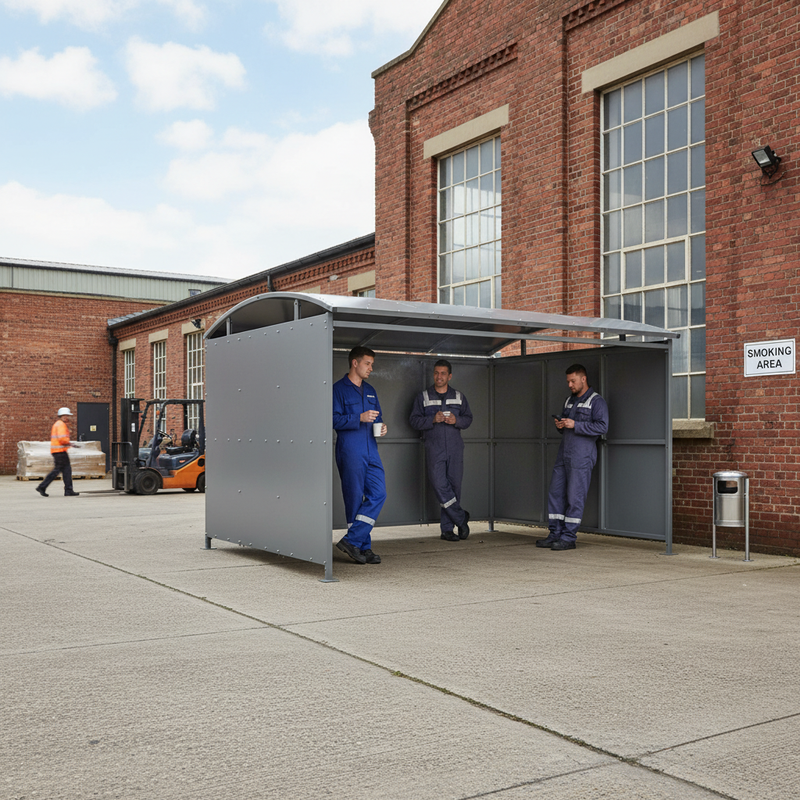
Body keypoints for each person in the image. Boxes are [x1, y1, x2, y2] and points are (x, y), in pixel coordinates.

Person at [538, 364, 607, 550]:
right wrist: (560, 425)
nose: (570, 384)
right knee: (555, 493)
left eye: (573, 381)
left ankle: (569, 537)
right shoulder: (569, 401)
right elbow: (566, 428)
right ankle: (555, 534)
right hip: (564, 454)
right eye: (568, 381)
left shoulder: (596, 401)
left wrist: (575, 424)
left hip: (581, 456)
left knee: (574, 497)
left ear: (583, 379)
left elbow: (602, 427)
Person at [332, 346, 387, 565]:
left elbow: (378, 417)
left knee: (378, 493)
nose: (371, 368)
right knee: (354, 498)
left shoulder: (371, 390)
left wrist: (382, 427)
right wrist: (359, 417)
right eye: (367, 363)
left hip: (371, 449)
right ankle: (363, 547)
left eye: (372, 364)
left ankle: (353, 541)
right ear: (355, 363)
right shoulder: (338, 389)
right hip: (350, 448)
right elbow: (332, 420)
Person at [409, 359, 473, 541]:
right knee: (439, 484)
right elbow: (413, 420)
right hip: (434, 447)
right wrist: (432, 420)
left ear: (449, 376)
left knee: (454, 486)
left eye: (443, 373)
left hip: (455, 447)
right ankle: (460, 517)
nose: (439, 376)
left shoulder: (459, 397)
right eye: (436, 373)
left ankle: (447, 529)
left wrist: (457, 421)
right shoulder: (423, 397)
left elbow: (468, 418)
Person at [36, 407, 80, 498]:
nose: (66, 417)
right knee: (58, 470)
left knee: (67, 470)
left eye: (67, 415)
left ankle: (69, 490)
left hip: (59, 451)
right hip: (59, 451)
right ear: (61, 416)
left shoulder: (58, 424)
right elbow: (62, 438)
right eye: (65, 415)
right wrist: (69, 443)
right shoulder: (61, 425)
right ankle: (42, 486)